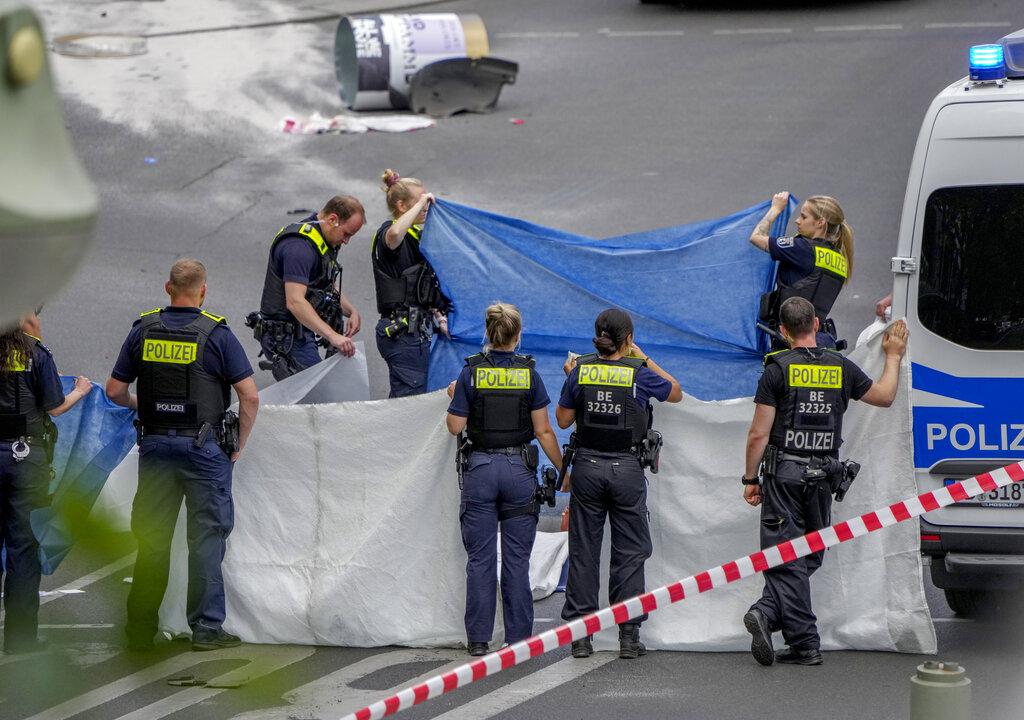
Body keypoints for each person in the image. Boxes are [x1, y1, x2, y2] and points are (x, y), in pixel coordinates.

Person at [741, 297, 908, 666]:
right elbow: (884, 396)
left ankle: (792, 633)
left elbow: (758, 434)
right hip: (823, 476)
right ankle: (775, 619)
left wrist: (750, 478)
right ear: (816, 324)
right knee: (809, 553)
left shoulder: (776, 370)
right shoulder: (840, 366)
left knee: (789, 558)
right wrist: (893, 356)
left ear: (783, 331)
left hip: (784, 476)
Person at [106, 259, 260, 652]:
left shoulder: (143, 331)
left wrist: (145, 406)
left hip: (156, 447)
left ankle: (140, 631)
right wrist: (238, 443)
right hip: (204, 450)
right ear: (202, 291)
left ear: (167, 287)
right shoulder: (216, 334)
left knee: (152, 541)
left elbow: (114, 391)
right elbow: (249, 396)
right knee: (206, 539)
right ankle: (206, 629)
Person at [556, 308, 683, 659]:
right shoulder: (639, 372)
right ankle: (628, 636)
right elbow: (676, 392)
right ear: (628, 340)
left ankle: (581, 637)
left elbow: (563, 420)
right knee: (629, 552)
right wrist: (642, 357)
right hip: (626, 470)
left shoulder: (580, 370)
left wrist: (572, 379)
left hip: (587, 468)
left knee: (584, 551)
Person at [446, 303, 561, 655]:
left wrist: (456, 395)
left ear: (488, 332)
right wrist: (564, 470)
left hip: (480, 470)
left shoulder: (471, 372)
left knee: (480, 560)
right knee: (516, 561)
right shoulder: (530, 374)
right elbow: (543, 431)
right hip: (518, 473)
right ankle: (519, 639)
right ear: (517, 335)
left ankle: (479, 640)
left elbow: (454, 426)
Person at [1, 314, 92, 653]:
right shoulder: (36, 354)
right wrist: (80, 390)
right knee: (23, 548)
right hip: (26, 460)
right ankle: (20, 639)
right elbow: (55, 407)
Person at [251, 196, 365, 380]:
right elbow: (295, 301)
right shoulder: (299, 248)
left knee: (329, 384)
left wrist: (351, 311)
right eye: (346, 234)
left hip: (304, 327)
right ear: (332, 219)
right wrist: (333, 336)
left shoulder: (322, 237)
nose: (346, 241)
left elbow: (326, 285)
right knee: (317, 391)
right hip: (285, 336)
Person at [373, 170, 450, 397]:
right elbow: (395, 233)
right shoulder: (388, 233)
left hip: (416, 332)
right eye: (419, 201)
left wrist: (439, 317)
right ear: (401, 205)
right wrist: (422, 203)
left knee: (409, 399)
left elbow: (422, 288)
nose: (425, 206)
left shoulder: (415, 240)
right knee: (407, 403)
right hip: (402, 335)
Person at [750, 192, 854, 349]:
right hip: (822, 342)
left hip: (791, 342)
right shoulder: (840, 259)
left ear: (820, 222)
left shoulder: (802, 249)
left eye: (804, 217)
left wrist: (776, 209)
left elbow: (756, 237)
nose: (798, 221)